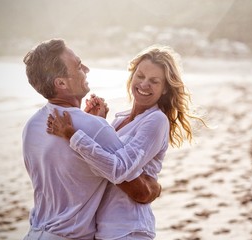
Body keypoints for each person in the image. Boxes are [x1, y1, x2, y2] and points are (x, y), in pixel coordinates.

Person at [47, 44, 206, 240]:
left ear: (165, 89)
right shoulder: (120, 119)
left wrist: (72, 135)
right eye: (140, 76)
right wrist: (99, 123)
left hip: (128, 229)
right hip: (103, 227)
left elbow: (119, 169)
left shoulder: (156, 120)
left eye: (154, 81)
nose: (144, 84)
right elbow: (105, 162)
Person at [22, 39, 161, 240]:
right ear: (61, 83)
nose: (86, 69)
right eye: (79, 66)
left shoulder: (32, 125)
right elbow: (139, 192)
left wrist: (95, 124)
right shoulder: (94, 128)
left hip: (35, 233)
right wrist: (156, 187)